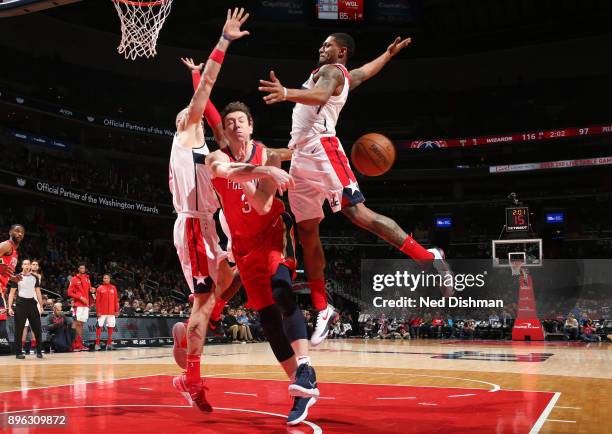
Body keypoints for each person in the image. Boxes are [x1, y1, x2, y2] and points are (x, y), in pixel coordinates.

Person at [258, 33, 453, 345]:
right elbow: (364, 73)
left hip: (322, 149)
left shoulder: (331, 72)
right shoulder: (343, 74)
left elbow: (320, 96)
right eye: (320, 44)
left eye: (327, 44)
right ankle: (323, 309)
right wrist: (387, 54)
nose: (321, 47)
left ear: (342, 51)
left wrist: (285, 92)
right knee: (306, 231)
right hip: (300, 156)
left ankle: (427, 257)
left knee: (357, 212)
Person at [206, 101, 319, 425]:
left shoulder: (267, 155)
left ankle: (305, 364)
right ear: (223, 131)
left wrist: (264, 167)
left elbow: (260, 205)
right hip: (242, 247)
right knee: (268, 319)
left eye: (241, 120)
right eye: (229, 122)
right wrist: (259, 171)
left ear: (251, 126)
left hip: (272, 231)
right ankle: (300, 387)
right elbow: (222, 171)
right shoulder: (217, 157)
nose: (236, 125)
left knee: (282, 289)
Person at [169, 7, 250, 413]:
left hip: (207, 228)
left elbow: (214, 116)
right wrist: (223, 41)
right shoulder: (186, 135)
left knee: (234, 273)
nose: (192, 110)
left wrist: (195, 75)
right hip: (192, 226)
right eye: (188, 110)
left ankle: (201, 324)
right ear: (184, 122)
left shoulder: (201, 145)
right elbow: (205, 98)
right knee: (203, 300)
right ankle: (192, 379)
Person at [7, 259, 44, 359]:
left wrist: (41, 305)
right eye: (25, 264)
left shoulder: (35, 277)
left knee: (37, 328)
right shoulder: (17, 277)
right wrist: (9, 307)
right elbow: (11, 294)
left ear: (30, 266)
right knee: (19, 329)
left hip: (32, 304)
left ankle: (39, 351)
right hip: (21, 304)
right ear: (22, 266)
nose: (27, 266)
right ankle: (18, 352)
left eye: (28, 264)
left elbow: (38, 292)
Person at [0, 224, 25, 320]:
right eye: (17, 231)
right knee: (2, 329)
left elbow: (3, 270)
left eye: (22, 232)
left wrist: (12, 277)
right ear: (10, 232)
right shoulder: (6, 245)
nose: (20, 233)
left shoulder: (15, 253)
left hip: (2, 289)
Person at [66, 263, 92, 351]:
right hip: (78, 305)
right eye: (81, 268)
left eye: (83, 268)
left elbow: (89, 290)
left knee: (81, 324)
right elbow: (69, 293)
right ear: (78, 269)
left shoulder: (87, 279)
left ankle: (79, 344)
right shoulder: (74, 279)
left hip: (86, 305)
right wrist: (80, 297)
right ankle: (73, 344)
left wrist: (92, 290)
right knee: (76, 323)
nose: (82, 269)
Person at [94, 274, 119, 351]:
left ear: (109, 279)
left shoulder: (113, 288)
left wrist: (116, 310)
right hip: (102, 312)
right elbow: (97, 301)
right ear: (103, 279)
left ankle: (109, 344)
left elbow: (116, 300)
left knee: (111, 327)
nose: (106, 279)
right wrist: (98, 312)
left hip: (111, 312)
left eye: (107, 278)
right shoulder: (99, 288)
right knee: (99, 327)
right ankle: (97, 344)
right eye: (104, 278)